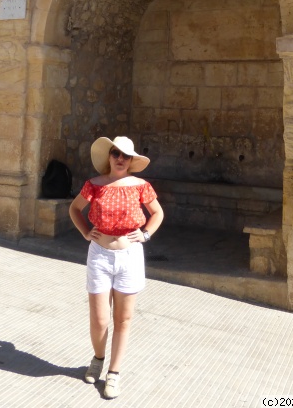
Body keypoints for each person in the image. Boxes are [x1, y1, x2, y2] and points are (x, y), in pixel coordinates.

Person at [69, 135, 164, 400]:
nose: (120, 159)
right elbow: (75, 209)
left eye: (125, 155)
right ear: (109, 157)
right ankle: (98, 358)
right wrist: (86, 232)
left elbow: (157, 213)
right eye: (115, 154)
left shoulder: (141, 186)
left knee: (123, 319)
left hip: (130, 257)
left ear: (132, 161)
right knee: (99, 320)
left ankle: (114, 373)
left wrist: (145, 235)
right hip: (99, 255)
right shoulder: (94, 185)